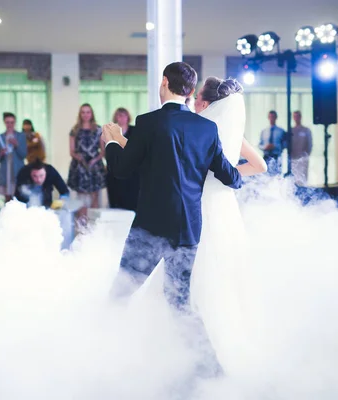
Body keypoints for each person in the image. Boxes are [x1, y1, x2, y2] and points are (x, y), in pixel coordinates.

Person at [103, 62, 242, 376]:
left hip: (151, 228)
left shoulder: (149, 122)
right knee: (178, 301)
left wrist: (112, 140)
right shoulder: (207, 129)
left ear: (164, 82)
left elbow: (122, 168)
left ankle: (98, 356)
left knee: (121, 293)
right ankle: (209, 368)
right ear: (191, 92)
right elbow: (231, 177)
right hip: (189, 229)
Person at [190, 76, 267, 375]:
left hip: (201, 206)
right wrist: (228, 175)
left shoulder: (199, 129)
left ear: (206, 104)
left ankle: (203, 344)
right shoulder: (233, 131)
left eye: (196, 99)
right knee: (226, 271)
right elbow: (259, 166)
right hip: (225, 207)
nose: (193, 102)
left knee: (203, 270)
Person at [67, 104, 106, 220]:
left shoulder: (99, 129)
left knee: (95, 196)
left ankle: (94, 224)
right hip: (79, 167)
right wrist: (80, 159)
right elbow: (72, 151)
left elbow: (102, 151)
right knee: (81, 198)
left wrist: (94, 160)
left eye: (88, 112)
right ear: (80, 114)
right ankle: (82, 224)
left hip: (95, 166)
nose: (85, 115)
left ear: (92, 114)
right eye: (83, 112)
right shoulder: (75, 130)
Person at [105, 108, 140, 212]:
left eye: (124, 115)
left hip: (132, 172)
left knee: (131, 201)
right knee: (116, 201)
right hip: (115, 171)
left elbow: (137, 150)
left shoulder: (135, 130)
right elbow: (107, 149)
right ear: (116, 117)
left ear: (128, 117)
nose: (121, 118)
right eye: (119, 115)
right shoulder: (111, 132)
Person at [0, 112, 27, 203]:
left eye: (12, 122)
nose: (10, 125)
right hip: (5, 171)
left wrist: (16, 145)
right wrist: (1, 153)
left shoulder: (21, 136)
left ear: (15, 123)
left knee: (19, 196)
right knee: (7, 199)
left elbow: (24, 155)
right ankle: (7, 215)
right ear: (4, 123)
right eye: (7, 122)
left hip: (17, 170)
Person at [258, 110, 286, 175]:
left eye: (273, 117)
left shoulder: (281, 131)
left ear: (276, 118)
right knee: (265, 175)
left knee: (276, 176)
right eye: (270, 117)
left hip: (277, 156)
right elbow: (259, 144)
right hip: (266, 156)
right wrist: (265, 147)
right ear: (268, 118)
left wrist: (276, 146)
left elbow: (285, 144)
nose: (271, 118)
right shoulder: (264, 131)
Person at [291, 110, 313, 185]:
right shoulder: (291, 130)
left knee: (303, 177)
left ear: (300, 117)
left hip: (303, 158)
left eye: (298, 116)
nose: (296, 118)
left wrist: (306, 155)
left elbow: (309, 144)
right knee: (294, 178)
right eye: (295, 116)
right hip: (293, 158)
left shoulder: (306, 130)